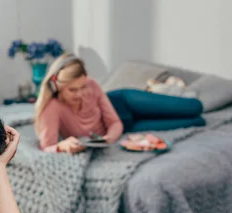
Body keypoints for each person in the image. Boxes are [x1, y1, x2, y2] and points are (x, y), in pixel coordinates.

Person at [34, 54, 205, 154]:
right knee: (197, 121)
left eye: (83, 86)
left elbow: (114, 122)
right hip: (130, 126)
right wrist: (62, 147)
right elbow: (46, 148)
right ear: (57, 86)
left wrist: (110, 137)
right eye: (73, 90)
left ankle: (171, 89)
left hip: (126, 103)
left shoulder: (92, 85)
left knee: (195, 107)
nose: (81, 94)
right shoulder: (52, 108)